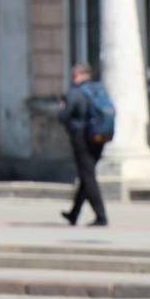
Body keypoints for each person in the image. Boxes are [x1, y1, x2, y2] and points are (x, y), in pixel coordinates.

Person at [59, 63, 108, 227]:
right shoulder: (97, 89)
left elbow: (64, 116)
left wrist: (62, 109)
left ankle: (101, 216)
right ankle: (74, 213)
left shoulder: (76, 93)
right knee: (86, 175)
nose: (73, 77)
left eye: (74, 74)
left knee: (88, 177)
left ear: (79, 75)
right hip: (99, 138)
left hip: (82, 139)